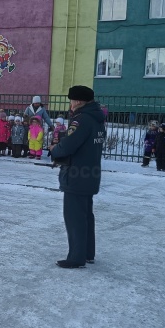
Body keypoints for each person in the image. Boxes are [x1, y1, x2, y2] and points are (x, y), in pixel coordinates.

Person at [49, 86, 105, 269]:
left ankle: (76, 257)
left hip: (76, 173)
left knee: (74, 217)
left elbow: (68, 145)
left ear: (78, 101)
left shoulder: (81, 120)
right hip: (90, 172)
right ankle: (87, 253)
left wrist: (54, 150)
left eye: (71, 101)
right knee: (86, 215)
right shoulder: (97, 119)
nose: (71, 104)